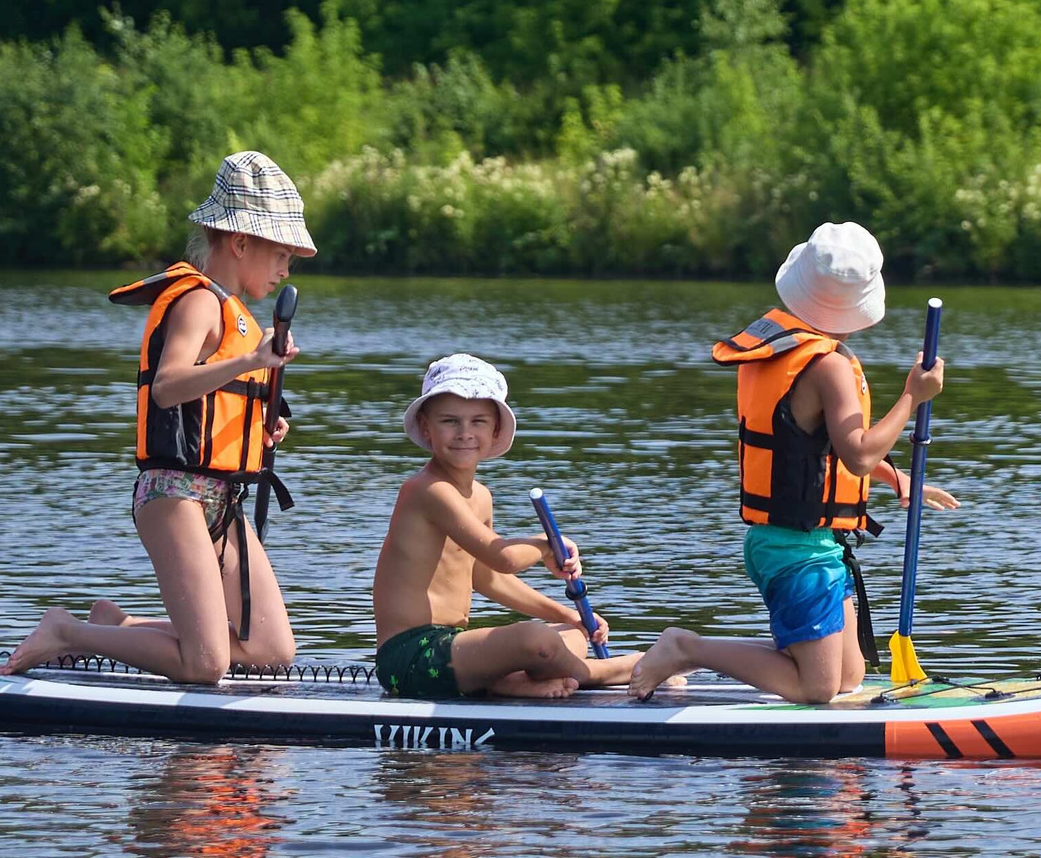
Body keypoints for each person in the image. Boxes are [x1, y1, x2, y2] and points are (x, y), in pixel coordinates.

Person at [0, 151, 315, 683]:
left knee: (270, 650)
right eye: (281, 253)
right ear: (240, 243)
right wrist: (251, 361)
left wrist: (263, 423)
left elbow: (212, 402)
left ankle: (117, 626)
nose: (286, 269)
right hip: (174, 493)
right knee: (206, 664)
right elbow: (168, 387)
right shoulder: (199, 302)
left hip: (222, 497)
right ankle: (66, 633)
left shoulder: (236, 315)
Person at [628, 222, 956, 704]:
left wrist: (895, 476)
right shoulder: (829, 366)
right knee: (816, 687)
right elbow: (858, 455)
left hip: (805, 541)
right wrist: (913, 395)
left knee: (847, 676)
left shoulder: (784, 350)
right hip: (794, 547)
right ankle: (686, 648)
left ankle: (708, 651)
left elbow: (807, 448)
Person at [371, 354, 640, 700]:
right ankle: (612, 671)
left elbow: (488, 576)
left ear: (496, 429)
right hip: (411, 657)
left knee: (569, 635)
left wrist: (569, 615)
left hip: (452, 646)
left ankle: (505, 681)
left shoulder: (481, 496)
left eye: (478, 421)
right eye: (450, 421)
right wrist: (546, 545)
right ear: (426, 427)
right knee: (536, 640)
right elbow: (504, 559)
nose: (465, 433)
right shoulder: (428, 490)